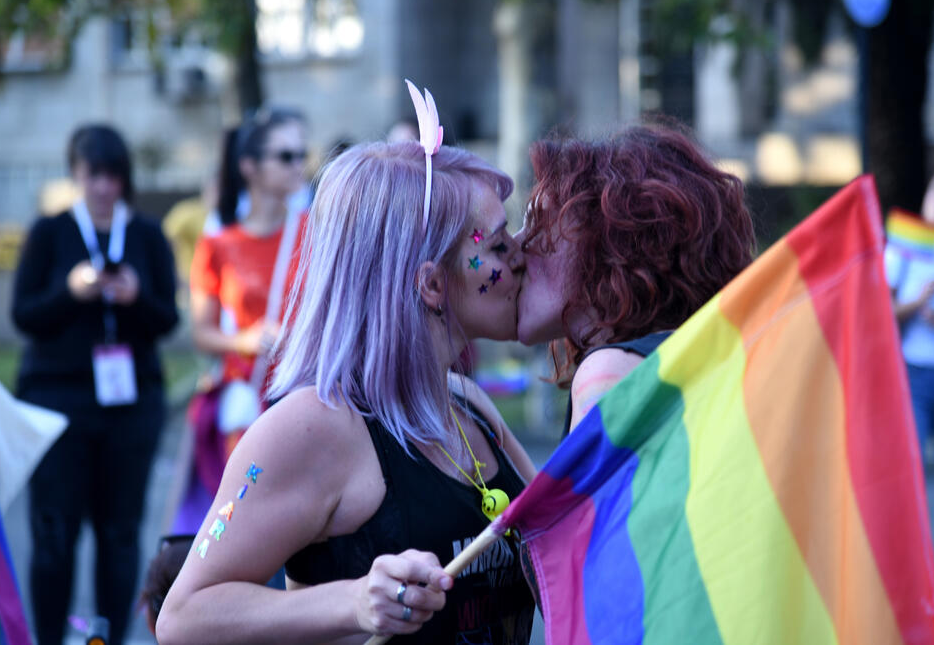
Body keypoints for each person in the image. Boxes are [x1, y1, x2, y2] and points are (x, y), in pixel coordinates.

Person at [157, 89, 536, 644]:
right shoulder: (313, 426)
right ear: (431, 283)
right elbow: (183, 617)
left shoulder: (468, 404)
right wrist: (355, 602)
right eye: (499, 244)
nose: (520, 255)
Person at [11, 123, 179, 644]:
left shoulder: (147, 235)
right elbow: (25, 315)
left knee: (120, 533)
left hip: (130, 406)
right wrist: (69, 291)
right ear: (76, 175)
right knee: (54, 533)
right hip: (57, 403)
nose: (104, 186)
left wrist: (135, 297)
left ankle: (104, 638)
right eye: (93, 175)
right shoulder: (50, 232)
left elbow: (168, 318)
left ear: (124, 178)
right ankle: (49, 636)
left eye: (112, 175)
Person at [514, 125, 755, 438]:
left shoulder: (607, 375)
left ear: (613, 239)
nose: (516, 249)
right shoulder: (696, 365)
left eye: (540, 225)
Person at [188, 107, 311, 461]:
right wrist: (242, 340)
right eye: (286, 156)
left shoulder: (319, 233)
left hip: (307, 394)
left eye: (302, 154)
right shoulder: (218, 245)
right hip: (249, 397)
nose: (298, 164)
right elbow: (201, 334)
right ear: (249, 167)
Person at [885, 170, 934, 577]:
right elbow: (877, 311)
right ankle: (909, 576)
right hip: (910, 378)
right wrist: (917, 304)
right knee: (907, 479)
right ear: (926, 200)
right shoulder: (902, 252)